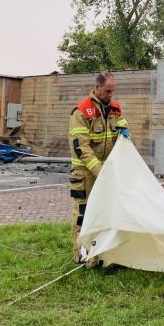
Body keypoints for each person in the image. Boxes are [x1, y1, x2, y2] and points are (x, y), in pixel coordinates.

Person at [68, 72, 129, 262]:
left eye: (113, 91)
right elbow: (81, 147)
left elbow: (122, 135)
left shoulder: (115, 109)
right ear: (97, 87)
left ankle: (103, 253)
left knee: (106, 212)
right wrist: (99, 170)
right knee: (84, 215)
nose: (111, 95)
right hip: (85, 174)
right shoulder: (81, 111)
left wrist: (125, 134)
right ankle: (82, 255)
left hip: (106, 173)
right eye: (108, 91)